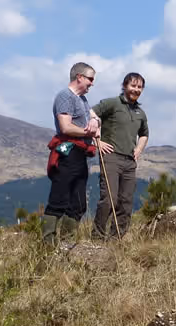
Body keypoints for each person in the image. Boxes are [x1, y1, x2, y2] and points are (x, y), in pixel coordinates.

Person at [42, 62, 101, 244]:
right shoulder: (65, 97)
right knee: (59, 198)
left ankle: (67, 244)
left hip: (80, 154)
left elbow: (94, 116)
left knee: (78, 203)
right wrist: (89, 132)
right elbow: (65, 127)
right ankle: (48, 244)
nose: (92, 83)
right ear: (79, 77)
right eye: (90, 79)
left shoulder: (82, 99)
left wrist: (95, 121)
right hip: (68, 152)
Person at [91, 72, 149, 240]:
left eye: (139, 87)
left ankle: (117, 239)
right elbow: (91, 114)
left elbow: (144, 134)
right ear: (124, 86)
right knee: (109, 200)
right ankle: (97, 237)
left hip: (130, 162)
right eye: (133, 86)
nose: (136, 90)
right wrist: (97, 141)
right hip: (111, 157)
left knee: (126, 202)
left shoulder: (140, 112)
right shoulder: (112, 103)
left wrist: (139, 149)